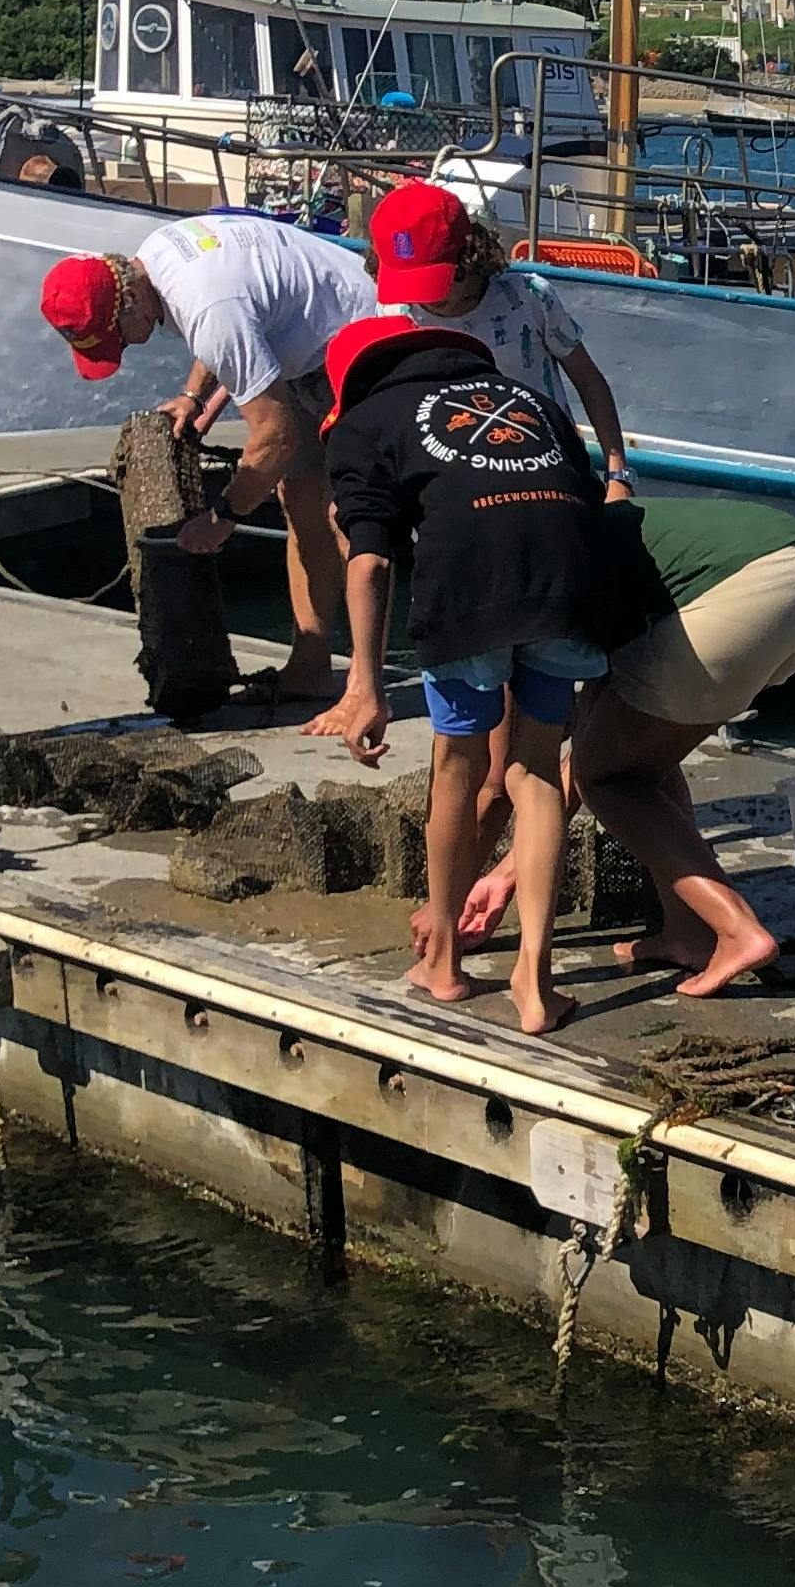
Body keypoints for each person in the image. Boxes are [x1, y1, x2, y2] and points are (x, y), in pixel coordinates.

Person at [312, 313, 619, 1034]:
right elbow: (580, 492)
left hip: (467, 591)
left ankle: (444, 962)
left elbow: (372, 559)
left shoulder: (364, 422)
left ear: (353, 383)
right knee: (535, 771)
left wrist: (364, 686)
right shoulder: (530, 401)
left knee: (456, 764)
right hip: (568, 586)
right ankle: (535, 981)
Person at [439, 496, 795, 998]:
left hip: (736, 590)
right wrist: (505, 877)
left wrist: (449, 903)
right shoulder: (580, 557)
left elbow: (516, 776)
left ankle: (737, 930)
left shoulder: (528, 606)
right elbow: (586, 740)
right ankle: (687, 933)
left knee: (612, 780)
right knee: (642, 761)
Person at [38, 212, 381, 702]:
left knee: (352, 515)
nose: (125, 349)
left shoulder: (206, 307)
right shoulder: (158, 255)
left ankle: (367, 687)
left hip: (361, 340)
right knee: (299, 495)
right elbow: (231, 329)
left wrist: (222, 518)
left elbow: (275, 436)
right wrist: (193, 396)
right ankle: (311, 663)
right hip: (311, 345)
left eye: (118, 337)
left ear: (130, 299)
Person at [362, 177, 634, 492]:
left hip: (551, 471)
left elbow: (588, 380)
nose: (424, 297)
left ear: (468, 255)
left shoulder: (528, 296)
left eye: (433, 280)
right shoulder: (395, 314)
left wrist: (618, 476)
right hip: (459, 488)